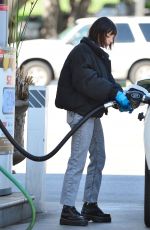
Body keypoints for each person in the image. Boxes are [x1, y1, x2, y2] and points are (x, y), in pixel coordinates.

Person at [55, 17, 132, 226]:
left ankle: (90, 204)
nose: (111, 40)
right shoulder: (82, 52)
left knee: (98, 156)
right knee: (77, 160)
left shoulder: (97, 54)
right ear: (99, 32)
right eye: (110, 35)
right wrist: (112, 92)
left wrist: (119, 93)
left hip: (90, 112)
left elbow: (106, 80)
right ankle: (67, 209)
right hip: (80, 113)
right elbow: (87, 81)